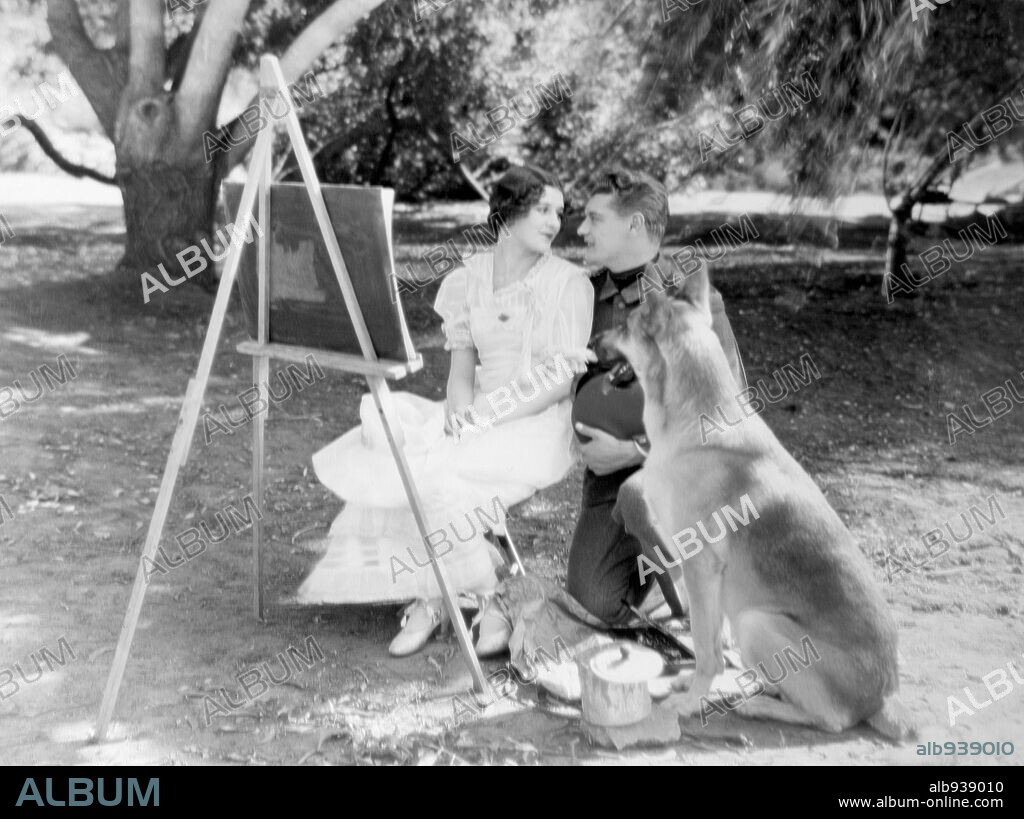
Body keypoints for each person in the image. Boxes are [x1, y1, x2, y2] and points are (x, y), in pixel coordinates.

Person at [297, 165, 594, 657]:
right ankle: (444, 597)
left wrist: (488, 418)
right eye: (542, 209)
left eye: (559, 213)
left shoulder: (568, 283)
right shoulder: (468, 280)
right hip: (476, 408)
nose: (554, 222)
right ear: (508, 212)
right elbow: (460, 370)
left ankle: (462, 597)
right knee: (401, 454)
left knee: (439, 477)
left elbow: (559, 380)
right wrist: (460, 415)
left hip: (535, 421)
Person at [567, 167, 747, 625]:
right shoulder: (578, 299)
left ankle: (701, 571)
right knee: (596, 602)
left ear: (634, 225)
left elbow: (730, 411)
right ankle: (663, 571)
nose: (581, 229)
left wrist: (634, 449)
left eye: (594, 218)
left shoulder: (690, 300)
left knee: (644, 495)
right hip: (607, 477)